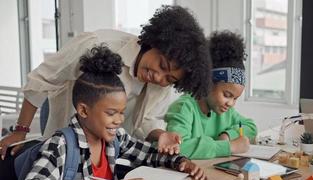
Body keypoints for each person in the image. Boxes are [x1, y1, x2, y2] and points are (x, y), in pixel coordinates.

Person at [0, 5, 210, 159]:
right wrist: (20, 130)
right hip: (65, 110)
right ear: (154, 42)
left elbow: (144, 121)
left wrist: (161, 135)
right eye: (162, 65)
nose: (159, 77)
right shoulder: (98, 45)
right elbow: (42, 80)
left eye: (170, 78)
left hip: (105, 135)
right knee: (58, 156)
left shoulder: (161, 86)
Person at [18, 45, 207, 180]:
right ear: (83, 110)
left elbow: (149, 154)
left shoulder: (117, 138)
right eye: (111, 113)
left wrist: (182, 162)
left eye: (122, 112)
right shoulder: (60, 144)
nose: (119, 120)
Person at [164, 31, 257, 159]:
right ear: (208, 82)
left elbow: (251, 127)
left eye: (235, 98)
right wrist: (229, 146)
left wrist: (227, 135)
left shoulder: (226, 112)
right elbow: (176, 148)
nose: (231, 103)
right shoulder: (184, 107)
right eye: (227, 94)